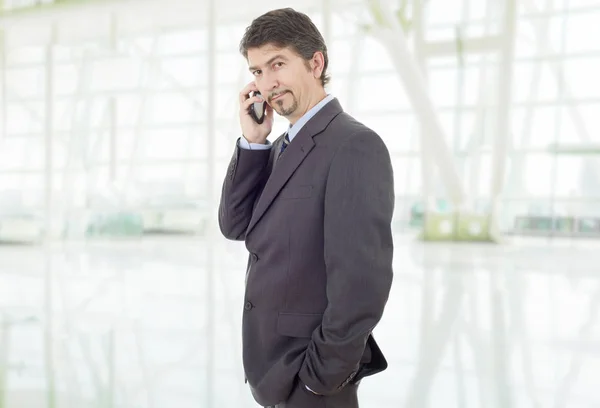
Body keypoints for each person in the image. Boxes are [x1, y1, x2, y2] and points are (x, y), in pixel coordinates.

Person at [218, 8, 394, 408]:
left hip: (311, 383)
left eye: (277, 64)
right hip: (273, 374)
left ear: (316, 62)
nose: (267, 82)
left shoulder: (354, 146)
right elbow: (234, 225)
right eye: (257, 71)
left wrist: (318, 380)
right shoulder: (278, 148)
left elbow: (361, 283)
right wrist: (254, 142)